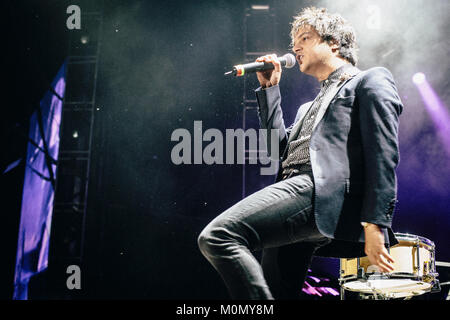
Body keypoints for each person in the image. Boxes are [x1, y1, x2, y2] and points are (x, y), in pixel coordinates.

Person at [198, 6, 403, 299]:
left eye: (305, 38)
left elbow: (383, 154)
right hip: (294, 192)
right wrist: (270, 90)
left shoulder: (369, 80)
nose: (295, 47)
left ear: (334, 43)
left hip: (320, 189)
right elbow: (277, 154)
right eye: (294, 41)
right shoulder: (309, 107)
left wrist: (375, 224)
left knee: (219, 236)